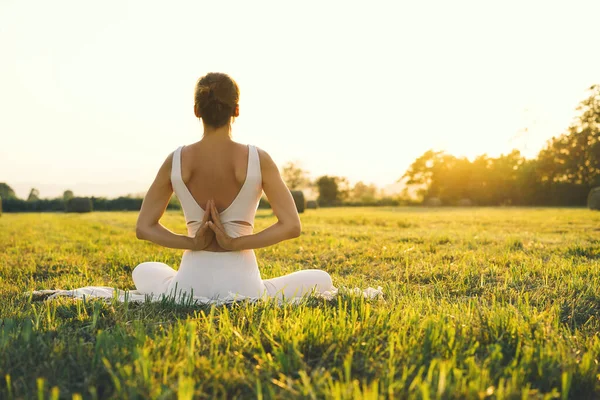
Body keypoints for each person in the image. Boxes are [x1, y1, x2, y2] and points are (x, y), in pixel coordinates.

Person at [132, 72, 333, 302]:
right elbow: (291, 226)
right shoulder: (259, 159)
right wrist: (235, 243)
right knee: (321, 278)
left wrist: (192, 243)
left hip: (187, 287)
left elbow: (144, 228)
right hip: (244, 285)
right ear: (236, 110)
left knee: (143, 270)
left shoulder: (175, 160)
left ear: (197, 111)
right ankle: (262, 289)